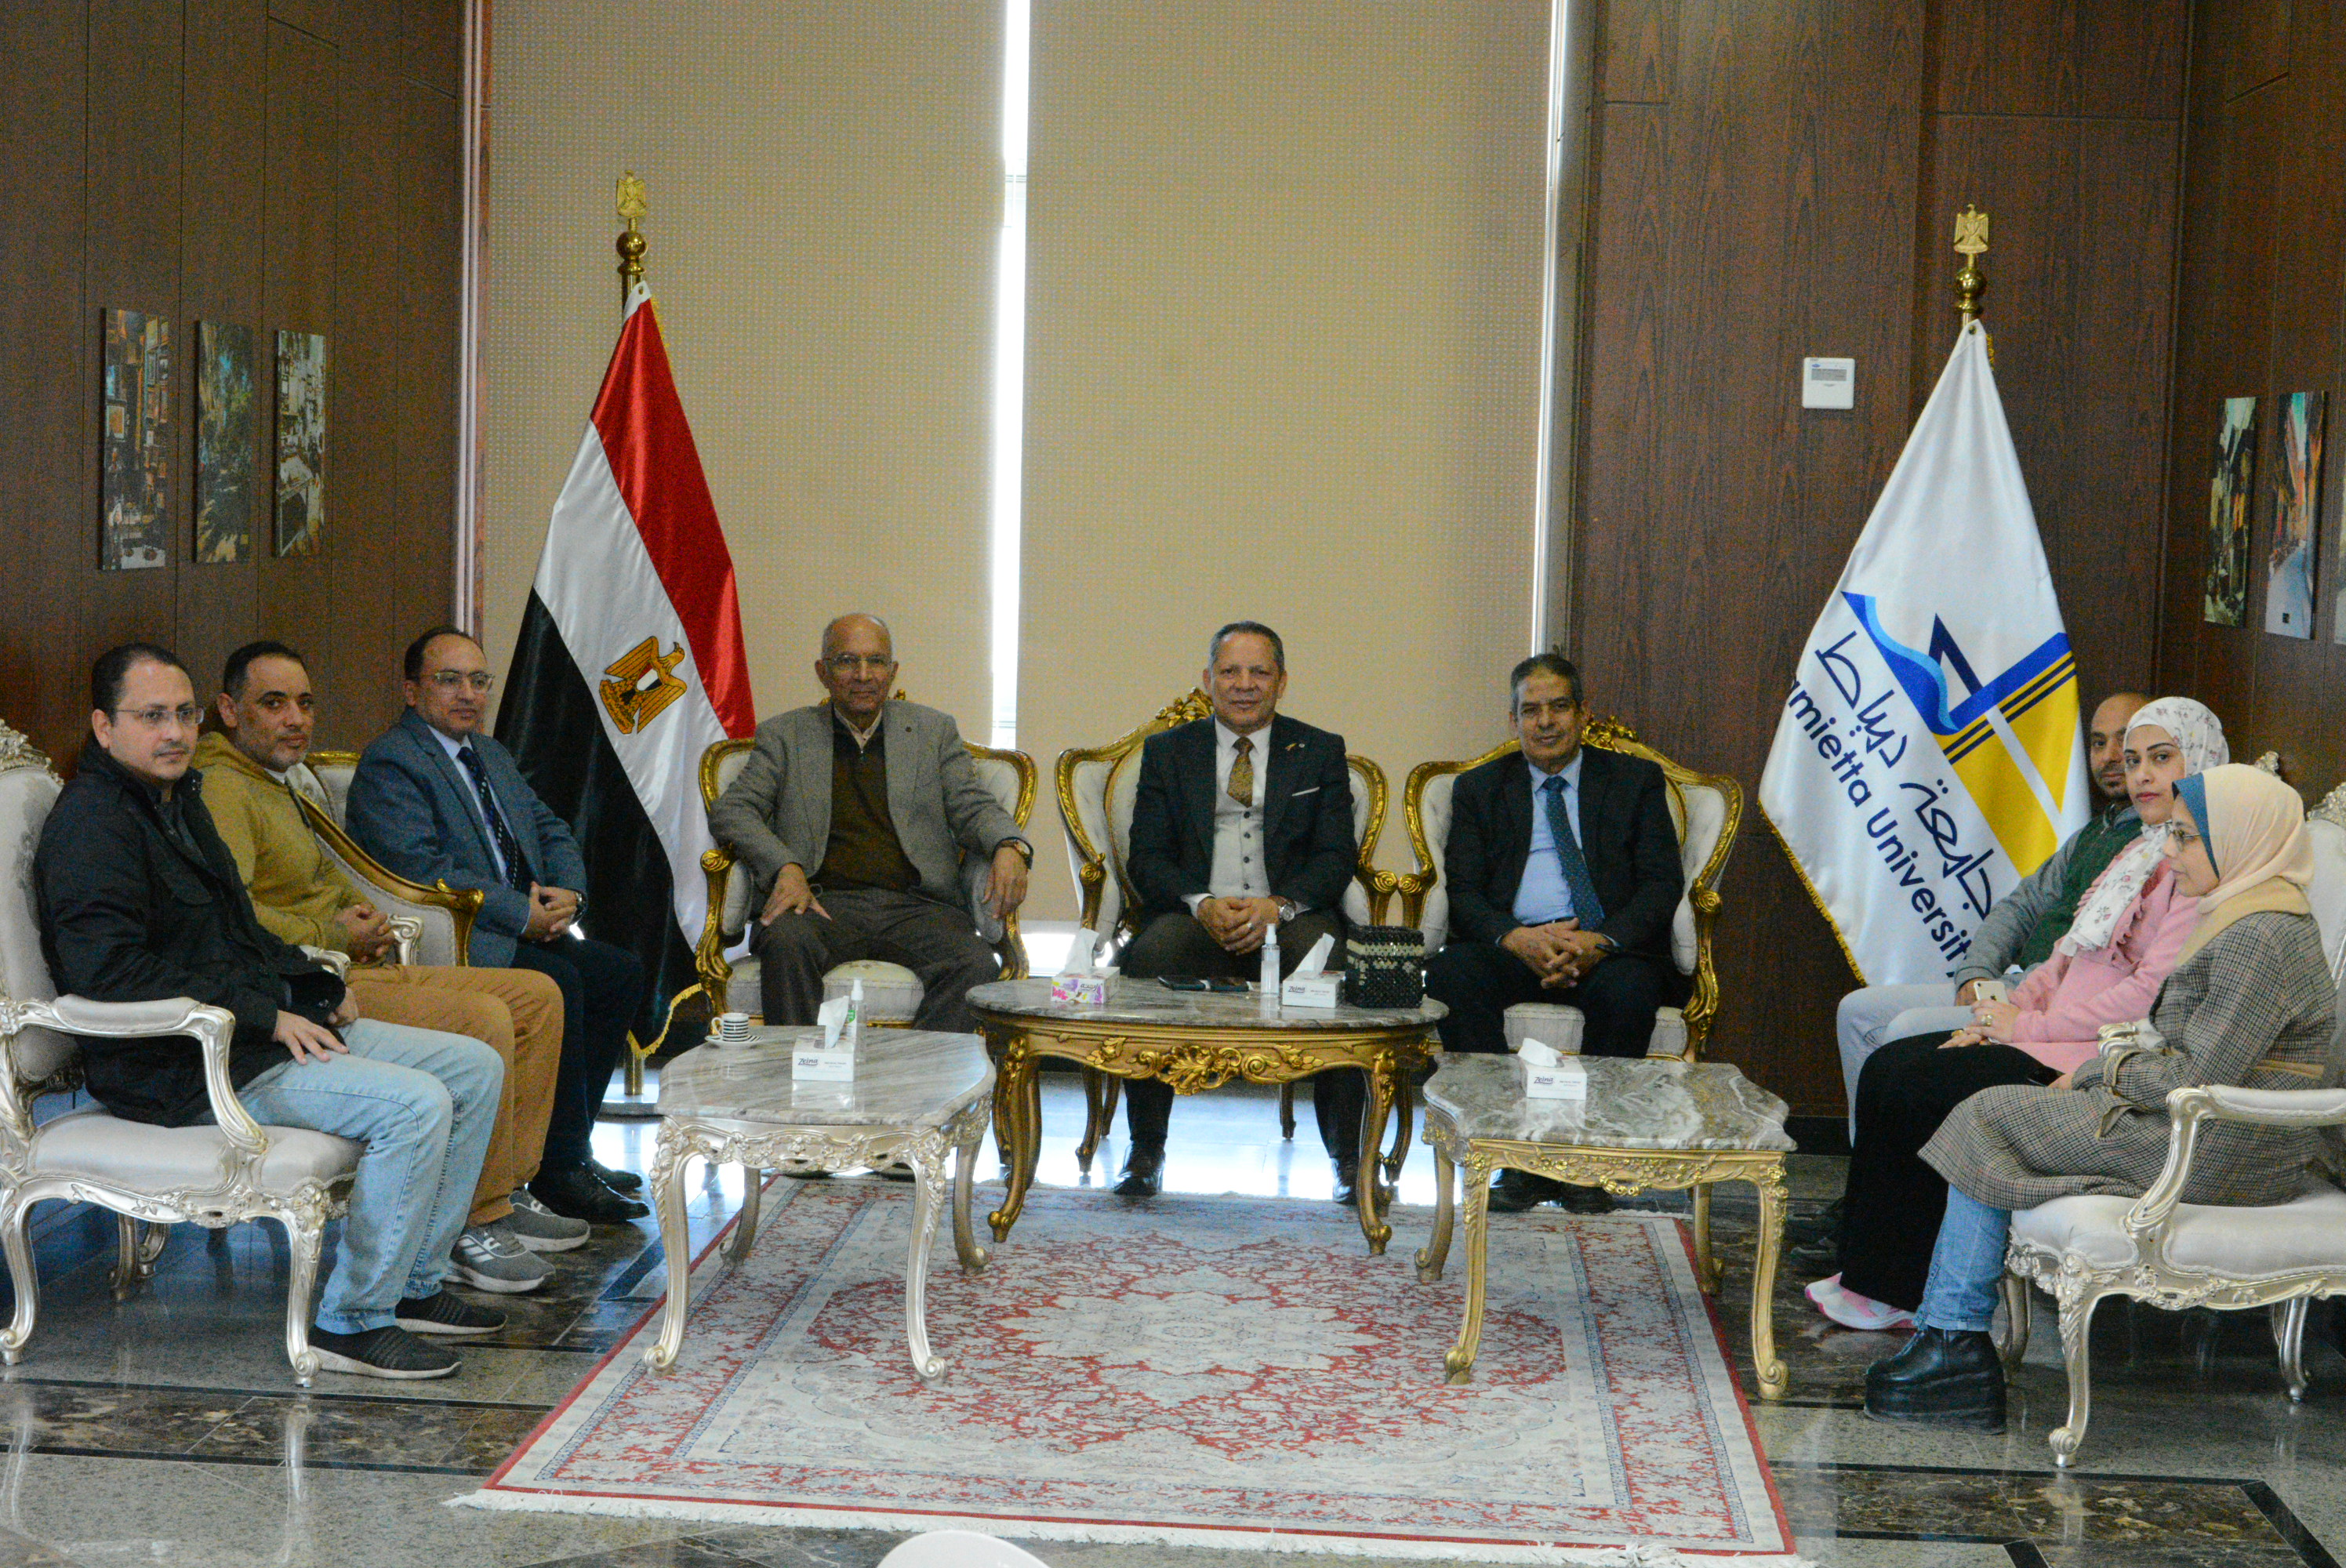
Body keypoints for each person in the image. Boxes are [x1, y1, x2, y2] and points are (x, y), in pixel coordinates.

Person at [35, 644, 507, 1379]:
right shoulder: (92, 826)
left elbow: (240, 930)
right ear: (104, 726)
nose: (175, 733)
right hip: (183, 1068)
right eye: (152, 717)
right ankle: (352, 1322)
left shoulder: (177, 801)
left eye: (184, 714)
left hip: (253, 1041)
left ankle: (415, 1285)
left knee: (473, 1066)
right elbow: (111, 973)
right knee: (416, 1105)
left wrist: (314, 985)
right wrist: (266, 1013)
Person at [1866, 763, 2341, 1430]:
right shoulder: (2245, 916)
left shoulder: (2259, 938)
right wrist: (2106, 1073)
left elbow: (2195, 1078)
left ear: (2239, 839)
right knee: (1989, 1113)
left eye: (2186, 837)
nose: (2171, 851)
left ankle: (1954, 1346)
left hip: (2225, 1149)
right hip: (2205, 1132)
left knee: (1986, 1115)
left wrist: (2097, 1075)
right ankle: (1951, 1339)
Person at [1807, 699, 2224, 1331]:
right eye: (2134, 759)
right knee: (1889, 1066)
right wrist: (1996, 1017)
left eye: (2160, 759)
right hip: (2044, 1033)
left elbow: (2147, 997)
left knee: (1919, 1087)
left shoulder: (2198, 870)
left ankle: (1899, 1289)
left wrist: (2022, 1028)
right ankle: (1868, 1271)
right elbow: (2062, 959)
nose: (2140, 774)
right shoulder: (2135, 854)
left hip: (2088, 1054)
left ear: (2203, 765)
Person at [195, 639, 590, 1293]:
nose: (295, 719)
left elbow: (325, 877)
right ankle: (471, 1223)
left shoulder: (272, 779)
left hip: (355, 960)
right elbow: (233, 915)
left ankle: (504, 1190)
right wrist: (335, 931)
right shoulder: (223, 788)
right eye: (274, 704)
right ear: (230, 711)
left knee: (538, 995)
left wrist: (364, 919)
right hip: (315, 982)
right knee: (488, 1016)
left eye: (305, 703)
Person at [345, 627, 649, 1225]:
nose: (469, 694)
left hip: (516, 924)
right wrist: (520, 913)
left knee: (619, 973)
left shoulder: (490, 754)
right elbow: (423, 870)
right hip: (460, 936)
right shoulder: (393, 761)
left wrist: (569, 893)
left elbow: (550, 826)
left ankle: (569, 1150)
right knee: (562, 981)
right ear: (412, 691)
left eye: (479, 681)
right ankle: (556, 1168)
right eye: (449, 680)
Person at [1423, 652, 1686, 1213]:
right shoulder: (1479, 789)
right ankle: (1510, 1154)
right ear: (1513, 720)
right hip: (1516, 948)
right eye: (1531, 710)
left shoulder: (1635, 781)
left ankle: (1588, 1163)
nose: (1545, 722)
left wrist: (1599, 941)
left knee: (1631, 990)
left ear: (1583, 713)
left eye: (1559, 707)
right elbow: (1464, 891)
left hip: (1606, 950)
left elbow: (1661, 884)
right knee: (1451, 974)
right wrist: (1517, 938)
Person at [1113, 622, 1362, 1201]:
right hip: (1197, 917)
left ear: (1282, 682)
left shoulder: (1320, 750)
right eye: (1230, 671)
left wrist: (1279, 906)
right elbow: (1146, 856)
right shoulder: (1168, 752)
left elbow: (1335, 857)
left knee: (1334, 973)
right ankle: (1145, 1149)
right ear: (1208, 680)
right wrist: (1200, 903)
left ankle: (1348, 1160)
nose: (1244, 684)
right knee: (1148, 959)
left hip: (1290, 917)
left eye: (1259, 672)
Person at [1832, 692, 2149, 1131]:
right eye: (2098, 743)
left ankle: (1911, 1165)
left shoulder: (2160, 845)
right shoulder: (2093, 832)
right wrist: (1977, 972)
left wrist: (2026, 1000)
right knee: (1857, 1012)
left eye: (2125, 743)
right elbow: (2020, 906)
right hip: (2017, 985)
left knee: (1905, 1030)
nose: (2111, 756)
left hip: (2057, 1004)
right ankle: (1868, 1156)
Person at [706, 614, 1030, 1036]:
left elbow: (973, 806)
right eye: (846, 661)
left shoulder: (932, 732)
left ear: (893, 671)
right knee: (785, 942)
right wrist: (785, 866)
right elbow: (732, 811)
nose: (863, 675)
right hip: (819, 903)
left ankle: (915, 1074)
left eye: (876, 661)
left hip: (916, 906)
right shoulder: (786, 736)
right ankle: (799, 1071)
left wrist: (1009, 844)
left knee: (974, 964)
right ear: (822, 672)